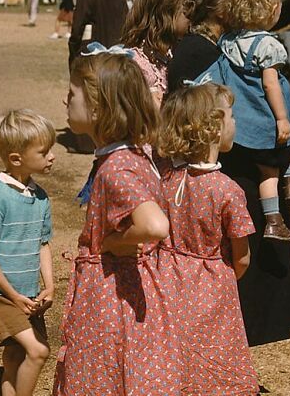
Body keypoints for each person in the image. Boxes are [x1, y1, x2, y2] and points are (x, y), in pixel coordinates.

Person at [169, 0, 290, 347]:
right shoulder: (201, 53)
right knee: (239, 277)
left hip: (251, 168)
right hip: (237, 174)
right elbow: (208, 119)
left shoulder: (228, 46)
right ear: (222, 5)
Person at [54, 51, 180, 395]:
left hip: (112, 300)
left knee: (103, 377)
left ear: (97, 108)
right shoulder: (135, 155)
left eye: (74, 92)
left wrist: (112, 242)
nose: (66, 98)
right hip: (134, 294)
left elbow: (155, 225)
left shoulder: (117, 167)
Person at [156, 83, 259, 395]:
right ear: (214, 128)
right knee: (215, 353)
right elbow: (242, 256)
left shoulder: (167, 178)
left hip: (166, 276)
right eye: (231, 116)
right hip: (212, 283)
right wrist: (225, 277)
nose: (235, 122)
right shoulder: (227, 190)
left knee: (174, 350)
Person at [216, 0, 290, 242]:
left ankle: (278, 210)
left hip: (244, 119)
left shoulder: (229, 41)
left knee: (268, 168)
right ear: (273, 10)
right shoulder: (269, 45)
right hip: (266, 117)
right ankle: (281, 204)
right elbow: (270, 84)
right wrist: (282, 117)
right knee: (281, 155)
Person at [0, 109, 56, 396]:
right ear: (16, 158)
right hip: (2, 294)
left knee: (14, 358)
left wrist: (49, 285)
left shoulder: (40, 197)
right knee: (39, 350)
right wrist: (12, 295)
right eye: (43, 151)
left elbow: (43, 244)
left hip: (28, 294)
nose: (51, 157)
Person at [120, 0, 188, 108]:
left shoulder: (172, 52)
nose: (192, 15)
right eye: (186, 8)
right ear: (167, 12)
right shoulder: (136, 63)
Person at [167, 0, 239, 92]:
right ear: (221, 7)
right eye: (239, 1)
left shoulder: (204, 45)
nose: (244, 8)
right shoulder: (200, 53)